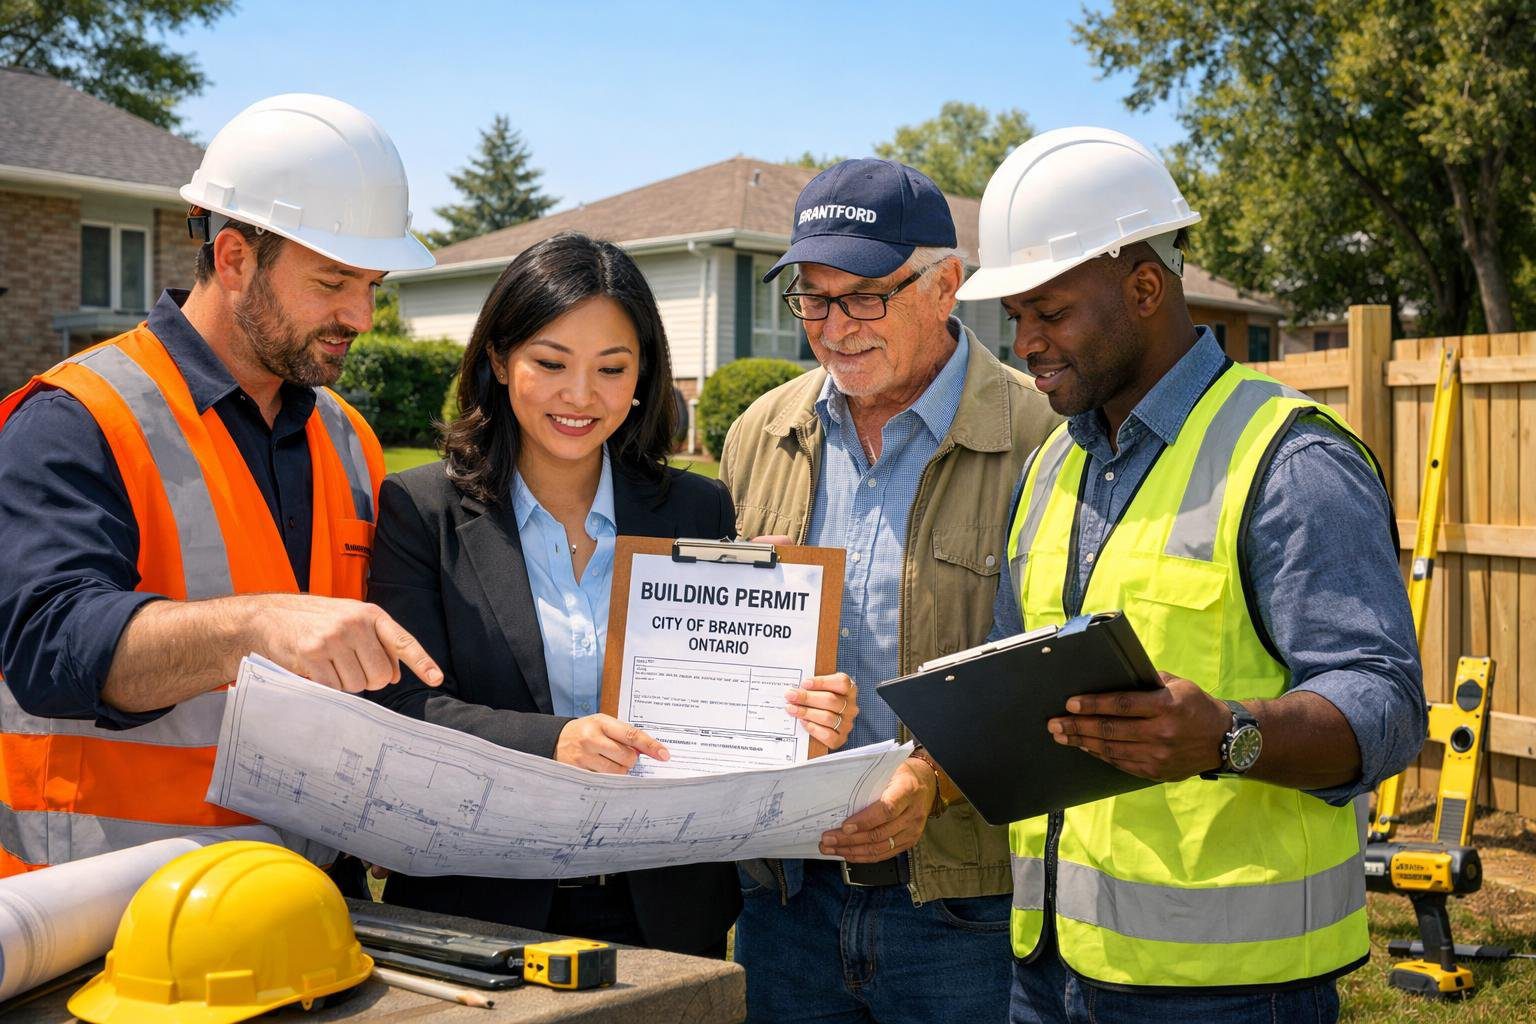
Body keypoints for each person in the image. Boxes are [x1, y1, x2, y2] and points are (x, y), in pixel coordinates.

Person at [956, 127, 1427, 1023]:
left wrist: (1227, 736)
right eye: (1015, 318)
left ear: (1143, 288)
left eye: (1048, 312)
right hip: (1050, 968)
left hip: (1230, 991)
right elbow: (1013, 677)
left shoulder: (1288, 461)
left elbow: (1389, 706)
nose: (1025, 344)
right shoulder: (1054, 464)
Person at [363, 231, 858, 957]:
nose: (581, 396)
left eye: (611, 368)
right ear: (499, 360)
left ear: (642, 375)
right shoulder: (421, 510)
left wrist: (793, 718)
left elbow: (719, 714)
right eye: (550, 363)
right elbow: (401, 710)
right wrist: (552, 741)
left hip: (663, 911)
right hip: (478, 907)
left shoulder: (698, 512)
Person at [0, 94, 442, 875]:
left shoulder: (349, 440)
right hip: (99, 918)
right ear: (234, 257)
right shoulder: (75, 419)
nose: (362, 315)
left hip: (301, 908)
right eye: (334, 280)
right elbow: (50, 647)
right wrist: (252, 628)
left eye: (373, 283)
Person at [718, 159, 1060, 1022]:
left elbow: (1058, 671)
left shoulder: (1042, 439)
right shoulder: (761, 433)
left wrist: (935, 779)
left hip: (964, 909)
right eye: (813, 298)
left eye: (865, 296)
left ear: (945, 285)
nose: (834, 329)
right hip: (786, 900)